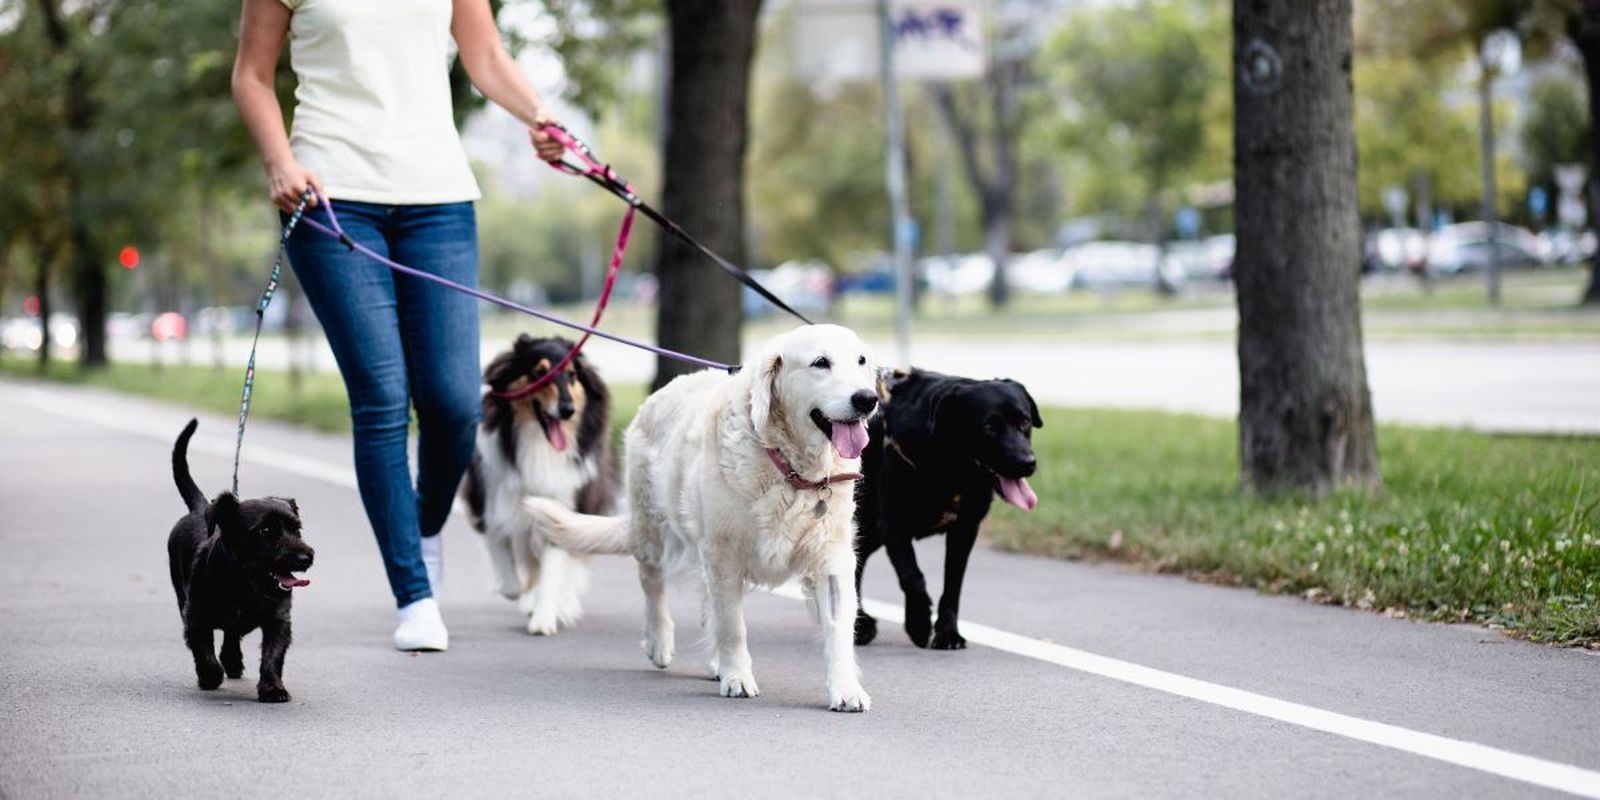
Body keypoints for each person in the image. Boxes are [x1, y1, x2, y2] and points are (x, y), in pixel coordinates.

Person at [232, 0, 566, 651]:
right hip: (328, 195)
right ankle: (415, 595)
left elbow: (486, 55)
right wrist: (278, 160)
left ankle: (419, 528)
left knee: (450, 404)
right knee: (383, 397)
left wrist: (539, 116)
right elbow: (251, 74)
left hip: (437, 198)